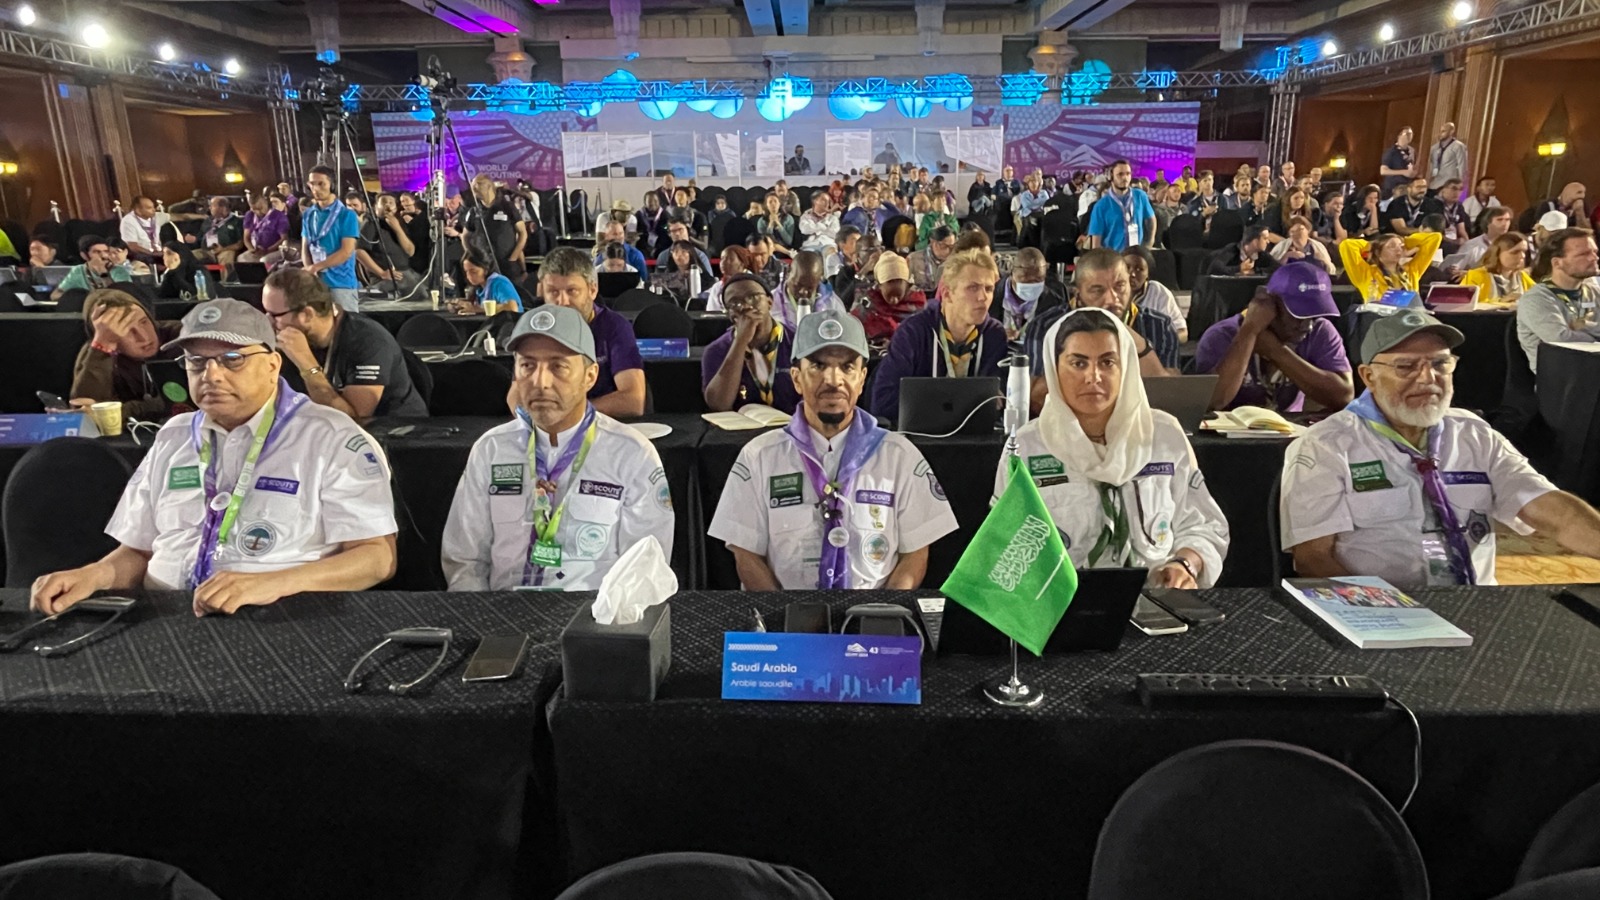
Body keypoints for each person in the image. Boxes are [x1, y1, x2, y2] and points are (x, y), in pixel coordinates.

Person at [30, 299, 398, 614]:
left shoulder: (330, 436)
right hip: (165, 619)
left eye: (232, 359)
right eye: (196, 361)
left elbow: (378, 558)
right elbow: (138, 553)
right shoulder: (173, 437)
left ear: (272, 366)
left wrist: (275, 584)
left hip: (282, 617)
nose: (212, 375)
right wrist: (93, 575)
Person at [1280, 309, 1600, 587]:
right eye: (1405, 366)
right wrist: (1386, 612)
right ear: (1369, 376)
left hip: (1475, 602)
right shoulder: (1328, 445)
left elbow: (1553, 512)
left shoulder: (1475, 435)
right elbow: (1312, 559)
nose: (1427, 378)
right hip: (1379, 611)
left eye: (1440, 364)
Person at [708, 309, 958, 590]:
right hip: (789, 621)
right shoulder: (758, 457)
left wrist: (879, 619)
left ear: (862, 379)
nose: (833, 379)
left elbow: (915, 554)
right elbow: (747, 556)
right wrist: (786, 623)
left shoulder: (899, 456)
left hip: (874, 618)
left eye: (847, 367)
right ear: (796, 378)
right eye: (817, 365)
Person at [439, 306, 672, 591]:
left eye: (558, 366)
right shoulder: (491, 450)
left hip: (593, 623)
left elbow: (644, 570)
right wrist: (485, 622)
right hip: (504, 616)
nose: (540, 382)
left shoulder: (632, 454)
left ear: (590, 376)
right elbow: (465, 561)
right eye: (527, 366)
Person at [1002, 307, 1229, 586]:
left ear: (1127, 368)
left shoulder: (1165, 436)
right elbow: (1005, 546)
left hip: (1155, 601)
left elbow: (1203, 525)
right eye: (1078, 363)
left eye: (1108, 362)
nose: (1093, 376)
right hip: (1058, 608)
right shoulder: (1026, 447)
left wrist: (1187, 564)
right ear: (1054, 368)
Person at [262, 268, 427, 421]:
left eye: (275, 315)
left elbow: (352, 420)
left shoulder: (368, 340)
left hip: (394, 434)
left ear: (306, 314)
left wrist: (307, 365)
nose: (268, 321)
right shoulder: (288, 339)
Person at [1193, 262, 1354, 412]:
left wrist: (1276, 351)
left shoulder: (1321, 330)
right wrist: (1249, 332)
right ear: (1268, 302)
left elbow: (1344, 397)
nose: (1308, 325)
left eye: (1314, 315)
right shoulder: (1221, 335)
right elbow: (1214, 401)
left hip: (1292, 434)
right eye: (1298, 315)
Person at [869, 249, 1005, 418]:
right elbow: (882, 403)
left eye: (989, 289)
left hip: (976, 439)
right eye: (973, 288)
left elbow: (998, 402)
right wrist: (960, 400)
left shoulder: (994, 335)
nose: (982, 297)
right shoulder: (913, 333)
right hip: (919, 438)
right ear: (947, 294)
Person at [540, 247, 646, 416]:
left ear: (592, 290)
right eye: (553, 292)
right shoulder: (536, 329)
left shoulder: (614, 326)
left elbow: (633, 400)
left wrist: (569, 414)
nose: (562, 302)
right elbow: (516, 396)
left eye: (572, 291)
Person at [69, 289, 182, 419]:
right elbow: (85, 411)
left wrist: (124, 411)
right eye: (127, 330)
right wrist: (102, 349)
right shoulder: (97, 352)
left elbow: (181, 403)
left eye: (144, 322)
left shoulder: (180, 338)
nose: (143, 337)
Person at [703, 274, 799, 414]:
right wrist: (740, 341)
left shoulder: (798, 341)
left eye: (753, 297)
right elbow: (719, 405)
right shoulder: (716, 350)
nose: (746, 306)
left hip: (792, 429)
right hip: (739, 432)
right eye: (735, 303)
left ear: (769, 302)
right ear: (729, 314)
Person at [1516, 228, 1600, 373]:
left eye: (1594, 252)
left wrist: (1583, 326)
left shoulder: (1594, 292)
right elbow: (1562, 341)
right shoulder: (1536, 299)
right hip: (1564, 381)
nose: (1594, 258)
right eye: (1583, 254)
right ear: (1557, 263)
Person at [300, 166, 363, 312]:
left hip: (341, 283)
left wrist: (316, 267)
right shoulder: (309, 214)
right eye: (312, 184)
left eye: (321, 183)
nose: (315, 188)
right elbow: (305, 247)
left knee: (344, 328)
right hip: (316, 282)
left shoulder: (347, 215)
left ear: (332, 185)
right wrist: (310, 270)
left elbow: (346, 251)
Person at [1339, 231, 1444, 303]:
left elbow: (1435, 237)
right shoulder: (1365, 273)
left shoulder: (1411, 271)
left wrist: (1406, 242)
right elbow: (1347, 245)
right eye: (1392, 246)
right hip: (1380, 321)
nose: (1398, 249)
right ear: (1378, 252)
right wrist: (1373, 244)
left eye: (1400, 246)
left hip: (1409, 320)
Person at [853, 252, 927, 351]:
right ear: (879, 286)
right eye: (890, 296)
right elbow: (853, 333)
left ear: (907, 284)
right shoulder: (869, 304)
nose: (894, 301)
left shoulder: (919, 305)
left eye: (898, 295)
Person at [990, 247, 1066, 340]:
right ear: (1012, 272)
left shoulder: (1055, 303)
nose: (1032, 284)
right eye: (1025, 279)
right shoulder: (990, 296)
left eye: (1038, 279)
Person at [459, 176, 528, 278]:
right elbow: (465, 236)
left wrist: (513, 258)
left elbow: (523, 233)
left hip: (507, 264)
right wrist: (472, 255)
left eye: (479, 188)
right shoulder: (474, 211)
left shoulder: (507, 207)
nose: (477, 192)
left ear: (489, 187)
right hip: (485, 266)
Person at [1086, 160, 1157, 252]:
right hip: (1114, 258)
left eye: (1128, 174)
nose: (1125, 178)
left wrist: (1149, 242)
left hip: (1137, 254)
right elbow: (1096, 244)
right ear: (1111, 177)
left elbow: (1151, 219)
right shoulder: (1101, 206)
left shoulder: (1140, 196)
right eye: (1120, 174)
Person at [1122, 246, 1187, 342]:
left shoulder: (1158, 292)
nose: (1132, 274)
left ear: (1148, 273)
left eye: (1139, 269)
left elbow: (1183, 333)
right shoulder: (1111, 292)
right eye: (1127, 268)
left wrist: (1160, 344)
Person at [53, 235, 132, 300]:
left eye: (106, 251)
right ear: (84, 255)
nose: (104, 256)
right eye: (97, 252)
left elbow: (121, 297)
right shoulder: (78, 270)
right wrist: (82, 298)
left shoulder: (119, 271)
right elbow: (55, 295)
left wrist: (103, 273)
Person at [1460, 233, 1533, 303]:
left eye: (1524, 251)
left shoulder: (1522, 277)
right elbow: (1461, 305)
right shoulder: (1475, 276)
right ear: (1497, 253)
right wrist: (1501, 302)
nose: (1522, 256)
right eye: (1515, 252)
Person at [772, 250, 838, 328]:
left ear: (819, 280)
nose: (803, 292)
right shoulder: (772, 302)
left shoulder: (831, 301)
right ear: (788, 272)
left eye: (810, 288)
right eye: (798, 285)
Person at [453, 244, 524, 315]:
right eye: (466, 272)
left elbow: (513, 307)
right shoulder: (479, 288)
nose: (469, 276)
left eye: (473, 272)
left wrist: (479, 309)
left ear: (486, 270)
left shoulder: (499, 283)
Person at [1446, 206, 1512, 272]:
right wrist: (1467, 274)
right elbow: (1454, 269)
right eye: (1499, 220)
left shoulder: (1513, 244)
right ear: (1488, 223)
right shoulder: (1471, 245)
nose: (1505, 224)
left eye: (1507, 220)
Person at [1269, 216, 1336, 275]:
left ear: (1308, 231)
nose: (1296, 234)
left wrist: (1324, 261)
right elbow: (1272, 269)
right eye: (1292, 231)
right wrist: (1286, 257)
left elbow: (1332, 271)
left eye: (1300, 230)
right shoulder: (1282, 246)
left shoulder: (1318, 246)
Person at [1205, 225, 1280, 278]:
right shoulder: (1232, 250)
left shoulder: (1261, 254)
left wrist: (1255, 271)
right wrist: (1239, 268)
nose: (1268, 242)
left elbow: (1278, 267)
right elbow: (1215, 268)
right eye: (1265, 238)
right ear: (1255, 241)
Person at [120, 196, 175, 264]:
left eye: (153, 207)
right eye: (149, 208)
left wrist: (192, 216)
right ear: (138, 210)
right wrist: (153, 253)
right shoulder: (128, 221)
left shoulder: (156, 217)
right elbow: (132, 246)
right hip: (141, 255)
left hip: (159, 252)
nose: (153, 210)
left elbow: (180, 217)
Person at [592, 219, 649, 283]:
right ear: (606, 236)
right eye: (614, 234)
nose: (618, 237)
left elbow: (643, 280)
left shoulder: (636, 255)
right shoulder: (599, 257)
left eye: (621, 233)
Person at [195, 197, 244, 269]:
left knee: (227, 255)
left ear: (222, 207)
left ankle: (227, 280)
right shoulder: (208, 220)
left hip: (225, 250)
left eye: (212, 205)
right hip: (207, 251)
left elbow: (240, 244)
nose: (209, 208)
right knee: (187, 256)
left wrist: (223, 249)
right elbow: (200, 237)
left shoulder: (236, 221)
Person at [240, 194, 289, 265]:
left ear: (266, 203)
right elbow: (246, 238)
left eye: (260, 208)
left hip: (274, 249)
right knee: (241, 259)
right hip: (256, 250)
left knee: (264, 260)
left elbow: (284, 238)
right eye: (254, 209)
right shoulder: (249, 215)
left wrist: (267, 250)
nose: (258, 212)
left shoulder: (279, 216)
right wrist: (252, 249)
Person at [906, 226, 956, 294]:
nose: (949, 251)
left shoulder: (954, 262)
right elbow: (905, 286)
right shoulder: (913, 259)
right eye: (945, 246)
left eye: (952, 247)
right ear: (933, 243)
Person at [706, 245, 752, 313]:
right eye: (722, 258)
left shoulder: (752, 284)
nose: (723, 262)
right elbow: (711, 313)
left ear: (742, 263)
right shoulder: (717, 287)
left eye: (730, 259)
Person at [1427, 123, 1468, 193]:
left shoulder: (1458, 146)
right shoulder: (1434, 148)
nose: (1440, 134)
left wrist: (1461, 183)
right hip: (1434, 184)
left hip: (1449, 184)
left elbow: (1462, 165)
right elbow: (1432, 165)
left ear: (1451, 131)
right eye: (1440, 131)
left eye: (1443, 131)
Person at [1380, 127, 1416, 195]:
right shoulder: (1391, 152)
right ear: (1400, 135)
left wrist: (1413, 173)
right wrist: (1403, 172)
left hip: (1407, 186)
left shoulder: (1412, 151)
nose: (1409, 136)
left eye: (1411, 134)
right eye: (1407, 133)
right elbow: (1383, 171)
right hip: (1393, 187)